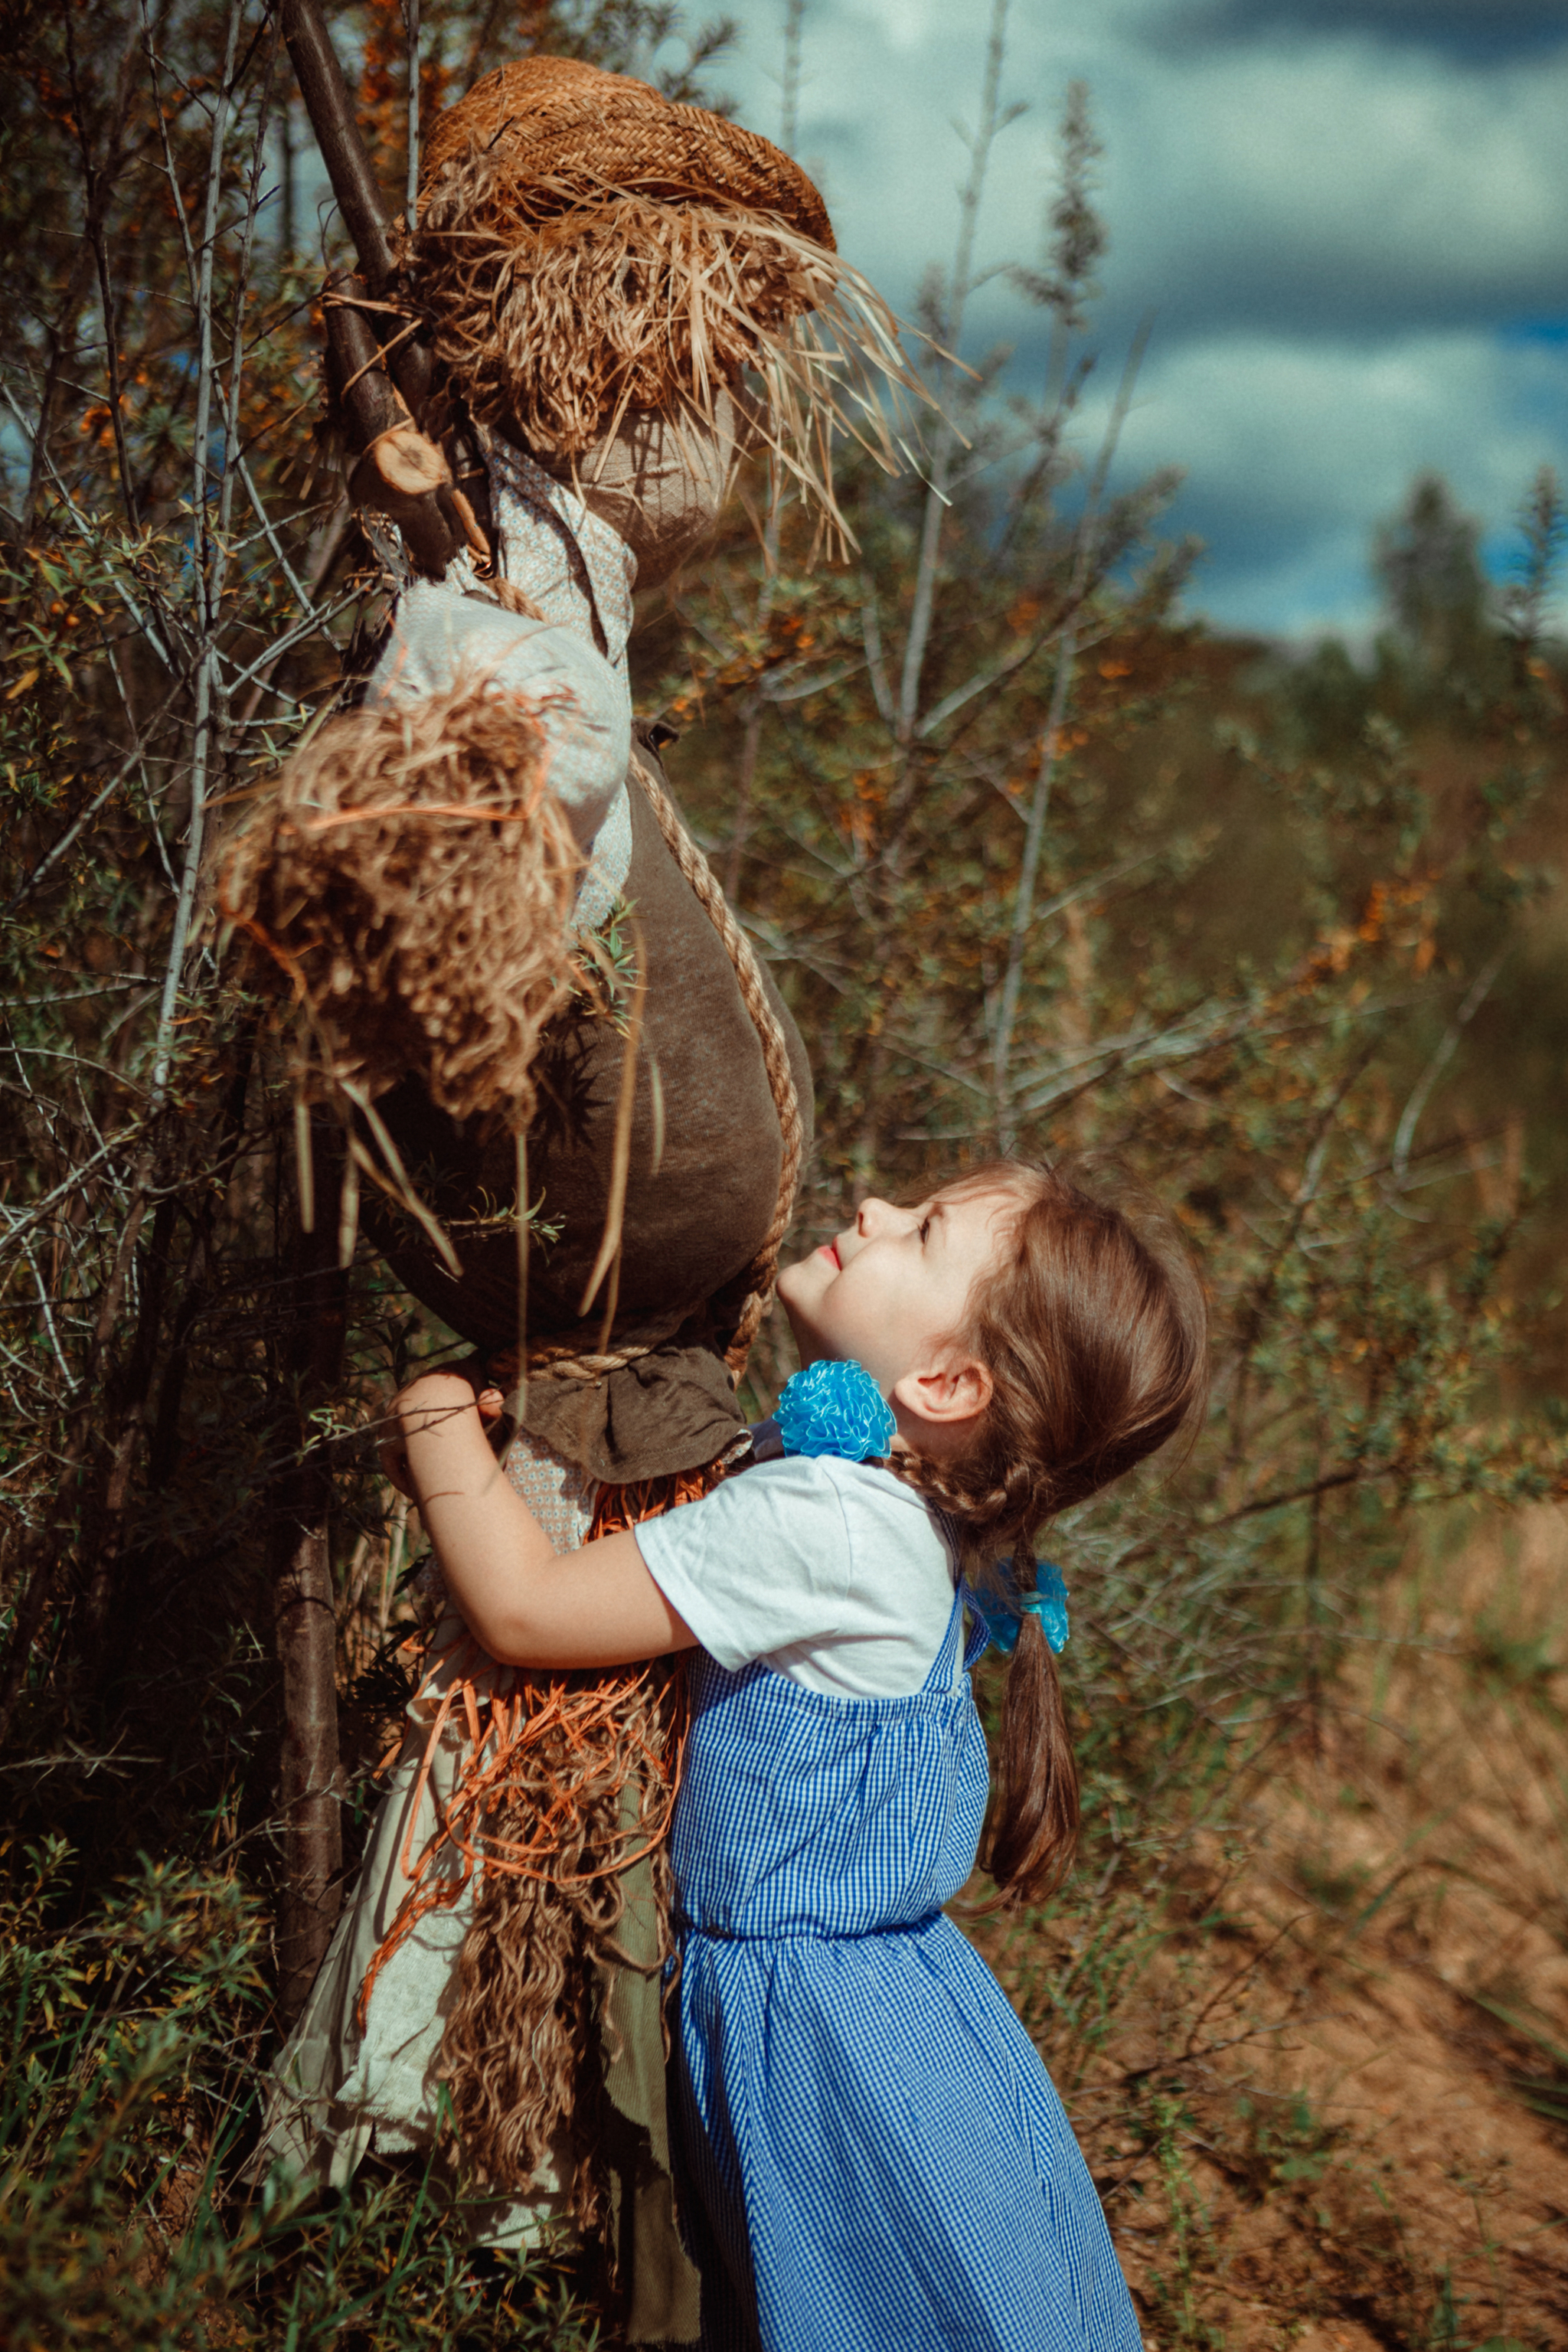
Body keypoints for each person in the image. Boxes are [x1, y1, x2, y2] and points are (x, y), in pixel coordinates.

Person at [380, 1160, 1207, 2351]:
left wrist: (433, 1416)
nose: (872, 1210)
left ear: (947, 1380)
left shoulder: (832, 1522)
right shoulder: (915, 1507)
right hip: (910, 2010)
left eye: (918, 1233)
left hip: (816, 2046)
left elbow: (526, 1609)